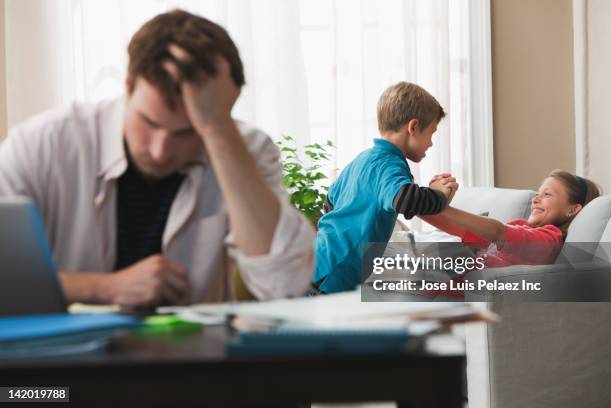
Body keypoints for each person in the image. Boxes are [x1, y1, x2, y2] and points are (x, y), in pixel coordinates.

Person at [0, 10, 315, 308]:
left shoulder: (244, 148)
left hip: (193, 359)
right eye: (149, 123)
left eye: (187, 132)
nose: (160, 150)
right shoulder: (43, 143)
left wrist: (216, 129)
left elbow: (284, 284)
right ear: (127, 86)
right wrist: (103, 287)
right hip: (57, 361)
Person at [312, 82, 458, 294]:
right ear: (413, 127)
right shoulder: (388, 164)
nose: (431, 143)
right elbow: (406, 199)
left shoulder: (363, 159)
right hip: (333, 272)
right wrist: (439, 195)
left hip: (322, 262)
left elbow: (330, 201)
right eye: (431, 133)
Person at [421, 169, 601, 267]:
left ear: (572, 210)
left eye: (547, 195)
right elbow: (461, 230)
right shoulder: (520, 225)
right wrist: (418, 204)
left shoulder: (549, 240)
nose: (535, 199)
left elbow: (499, 232)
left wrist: (442, 206)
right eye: (538, 193)